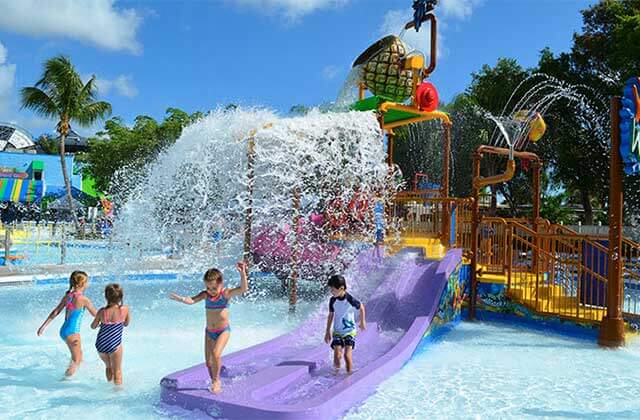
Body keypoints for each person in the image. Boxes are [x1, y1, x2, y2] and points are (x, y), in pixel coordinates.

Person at [170, 261, 249, 394]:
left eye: (213, 288)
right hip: (209, 332)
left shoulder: (225, 294)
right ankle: (214, 379)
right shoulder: (206, 295)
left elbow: (243, 289)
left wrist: (243, 274)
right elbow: (193, 300)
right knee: (208, 362)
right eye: (208, 288)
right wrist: (183, 299)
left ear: (221, 284)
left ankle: (216, 381)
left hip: (223, 331)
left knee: (216, 354)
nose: (211, 291)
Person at [37, 271, 97, 377]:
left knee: (78, 356)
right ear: (81, 284)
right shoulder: (83, 299)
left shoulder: (68, 296)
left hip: (64, 330)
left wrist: (43, 326)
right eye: (87, 282)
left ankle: (75, 374)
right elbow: (96, 315)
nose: (88, 284)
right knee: (76, 359)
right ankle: (65, 380)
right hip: (73, 333)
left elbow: (56, 311)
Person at [324, 274, 366, 374]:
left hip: (349, 331)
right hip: (338, 331)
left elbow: (361, 307)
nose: (331, 292)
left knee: (347, 355)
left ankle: (349, 374)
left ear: (342, 288)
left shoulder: (350, 299)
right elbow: (330, 315)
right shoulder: (332, 300)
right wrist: (327, 331)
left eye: (333, 290)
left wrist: (362, 321)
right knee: (337, 356)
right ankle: (336, 373)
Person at [91, 283, 130, 386]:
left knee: (108, 367)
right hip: (114, 344)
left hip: (101, 344)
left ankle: (109, 386)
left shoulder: (102, 311)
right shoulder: (125, 309)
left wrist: (100, 323)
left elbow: (93, 326)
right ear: (121, 297)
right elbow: (126, 323)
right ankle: (117, 394)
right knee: (117, 370)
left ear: (106, 296)